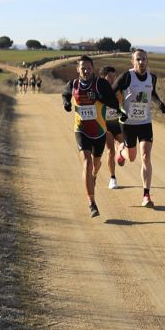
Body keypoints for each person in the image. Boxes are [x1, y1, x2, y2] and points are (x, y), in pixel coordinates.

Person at [61, 55, 123, 217]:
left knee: (95, 165)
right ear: (78, 69)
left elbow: (113, 103)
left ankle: (93, 176)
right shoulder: (73, 84)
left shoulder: (100, 84)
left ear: (93, 68)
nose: (86, 70)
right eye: (83, 68)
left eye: (88, 67)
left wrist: (99, 98)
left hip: (100, 131)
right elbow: (65, 94)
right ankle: (92, 203)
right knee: (87, 162)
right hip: (81, 129)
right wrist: (67, 103)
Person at [115, 48, 165, 208]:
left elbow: (152, 93)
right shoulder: (126, 77)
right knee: (131, 157)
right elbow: (111, 92)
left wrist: (160, 104)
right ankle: (120, 150)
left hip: (145, 122)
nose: (141, 62)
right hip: (128, 124)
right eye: (138, 59)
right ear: (133, 61)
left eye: (144, 59)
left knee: (145, 156)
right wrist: (120, 111)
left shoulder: (152, 78)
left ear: (147, 61)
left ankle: (146, 194)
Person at [98, 64, 129, 189]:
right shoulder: (99, 91)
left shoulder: (119, 90)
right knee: (110, 150)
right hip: (106, 125)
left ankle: (120, 155)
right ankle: (112, 178)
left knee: (122, 147)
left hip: (118, 123)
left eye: (114, 76)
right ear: (103, 78)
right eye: (109, 77)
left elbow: (125, 103)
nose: (112, 79)